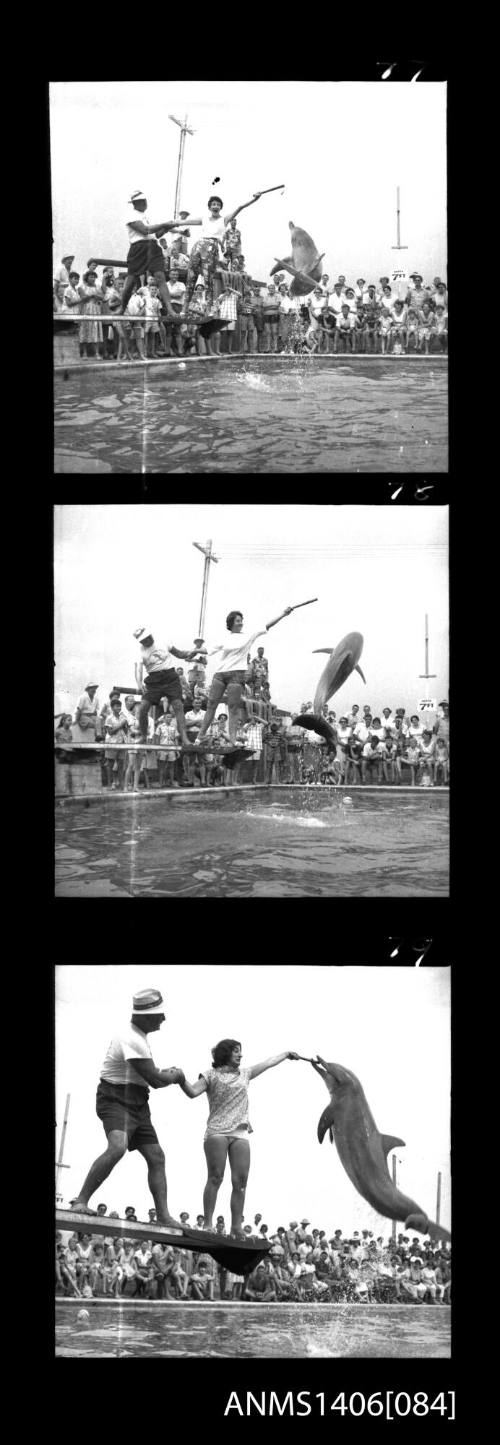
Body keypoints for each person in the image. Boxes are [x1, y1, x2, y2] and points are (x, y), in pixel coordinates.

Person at [70, 988, 186, 1227]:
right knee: (117, 1147)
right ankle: (80, 1200)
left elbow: (148, 1076)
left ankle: (164, 1216)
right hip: (116, 1098)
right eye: (159, 1014)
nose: (163, 1018)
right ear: (145, 1016)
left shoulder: (139, 1037)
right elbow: (154, 1080)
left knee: (156, 1156)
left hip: (137, 1100)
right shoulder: (132, 1038)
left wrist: (166, 1073)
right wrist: (174, 1076)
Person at [178, 1039, 299, 1237]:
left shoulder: (245, 1074)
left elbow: (267, 1063)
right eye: (236, 1051)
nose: (240, 1055)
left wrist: (286, 1054)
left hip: (240, 1132)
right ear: (225, 1053)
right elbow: (192, 1092)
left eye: (240, 1052)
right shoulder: (210, 1075)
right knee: (216, 1177)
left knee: (240, 1182)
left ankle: (236, 1226)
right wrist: (180, 1079)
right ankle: (208, 1224)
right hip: (217, 1131)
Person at [194, 607, 294, 744]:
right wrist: (192, 651)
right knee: (211, 704)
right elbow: (208, 650)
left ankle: (233, 740)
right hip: (220, 674)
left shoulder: (248, 635)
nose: (241, 623)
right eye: (238, 621)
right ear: (231, 623)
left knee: (233, 708)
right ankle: (199, 737)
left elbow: (267, 625)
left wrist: (283, 614)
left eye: (241, 620)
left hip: (236, 676)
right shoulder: (224, 638)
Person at [181, 193, 265, 316]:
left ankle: (209, 309)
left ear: (220, 207)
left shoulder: (224, 219)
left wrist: (254, 199)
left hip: (211, 247)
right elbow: (182, 222)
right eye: (213, 204)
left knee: (208, 278)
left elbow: (240, 208)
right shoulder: (203, 219)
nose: (215, 206)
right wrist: (169, 225)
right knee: (191, 276)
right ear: (209, 207)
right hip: (198, 245)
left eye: (218, 205)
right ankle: (184, 308)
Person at [119, 190, 195, 323]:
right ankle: (122, 308)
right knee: (130, 281)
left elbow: (156, 234)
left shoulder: (148, 216)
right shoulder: (130, 215)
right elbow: (145, 230)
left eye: (145, 201)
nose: (145, 203)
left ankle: (170, 310)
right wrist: (166, 224)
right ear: (136, 203)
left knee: (160, 276)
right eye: (142, 201)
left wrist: (169, 227)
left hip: (153, 247)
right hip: (138, 248)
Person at [133, 626, 200, 746]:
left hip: (170, 677)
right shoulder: (140, 651)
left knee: (178, 705)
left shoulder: (163, 641)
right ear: (141, 642)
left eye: (148, 638)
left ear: (151, 635)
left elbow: (179, 653)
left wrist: (190, 653)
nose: (147, 641)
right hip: (153, 680)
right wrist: (139, 683)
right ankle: (143, 735)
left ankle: (184, 737)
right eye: (144, 640)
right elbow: (138, 670)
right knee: (143, 708)